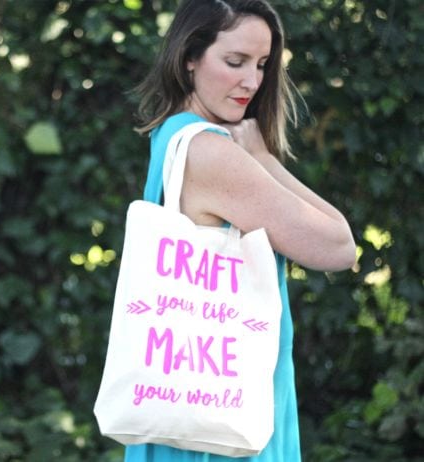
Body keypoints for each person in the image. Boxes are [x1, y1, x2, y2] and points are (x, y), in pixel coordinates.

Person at [125, 0, 356, 461]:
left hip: (193, 400)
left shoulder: (170, 137)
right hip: (223, 418)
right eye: (235, 62)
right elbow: (339, 247)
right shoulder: (213, 154)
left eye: (263, 64)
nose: (252, 81)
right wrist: (264, 158)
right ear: (189, 57)